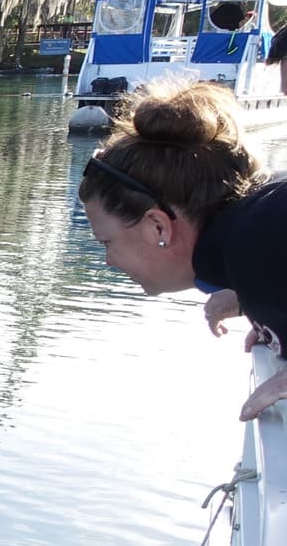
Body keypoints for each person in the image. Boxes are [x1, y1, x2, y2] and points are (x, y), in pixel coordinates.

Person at [78, 80, 287, 421]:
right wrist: (259, 300)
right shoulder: (250, 249)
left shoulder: (260, 237)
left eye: (107, 243)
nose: (109, 261)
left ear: (158, 227)